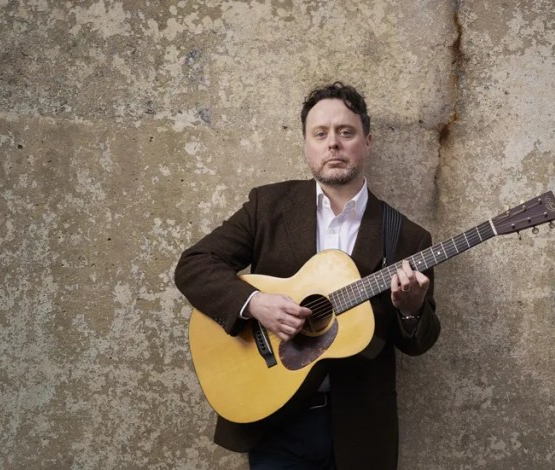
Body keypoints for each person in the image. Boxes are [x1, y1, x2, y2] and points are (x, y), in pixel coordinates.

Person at [174, 82, 441, 469]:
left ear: (367, 141)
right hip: (276, 418)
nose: (333, 143)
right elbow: (195, 264)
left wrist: (412, 309)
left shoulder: (407, 235)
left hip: (360, 430)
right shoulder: (269, 206)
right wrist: (255, 304)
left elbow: (419, 343)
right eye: (321, 133)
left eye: (345, 132)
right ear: (306, 144)